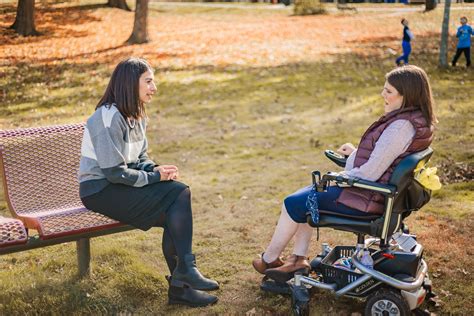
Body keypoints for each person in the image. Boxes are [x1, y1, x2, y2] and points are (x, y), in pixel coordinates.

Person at [252, 65, 436, 282]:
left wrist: (338, 178)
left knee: (293, 203)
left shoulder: (400, 127)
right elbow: (387, 160)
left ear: (407, 96)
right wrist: (355, 154)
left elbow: (370, 173)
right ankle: (297, 260)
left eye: (389, 91)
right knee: (304, 199)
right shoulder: (414, 121)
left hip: (367, 197)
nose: (382, 95)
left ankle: (270, 259)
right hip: (375, 195)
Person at [78, 57, 219, 307]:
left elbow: (139, 157)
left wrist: (154, 168)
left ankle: (182, 285)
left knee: (175, 209)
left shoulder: (138, 115)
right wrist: (154, 177)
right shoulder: (107, 117)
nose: (154, 87)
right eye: (149, 81)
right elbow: (113, 172)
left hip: (119, 184)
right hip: (99, 189)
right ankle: (184, 274)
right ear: (131, 84)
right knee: (179, 195)